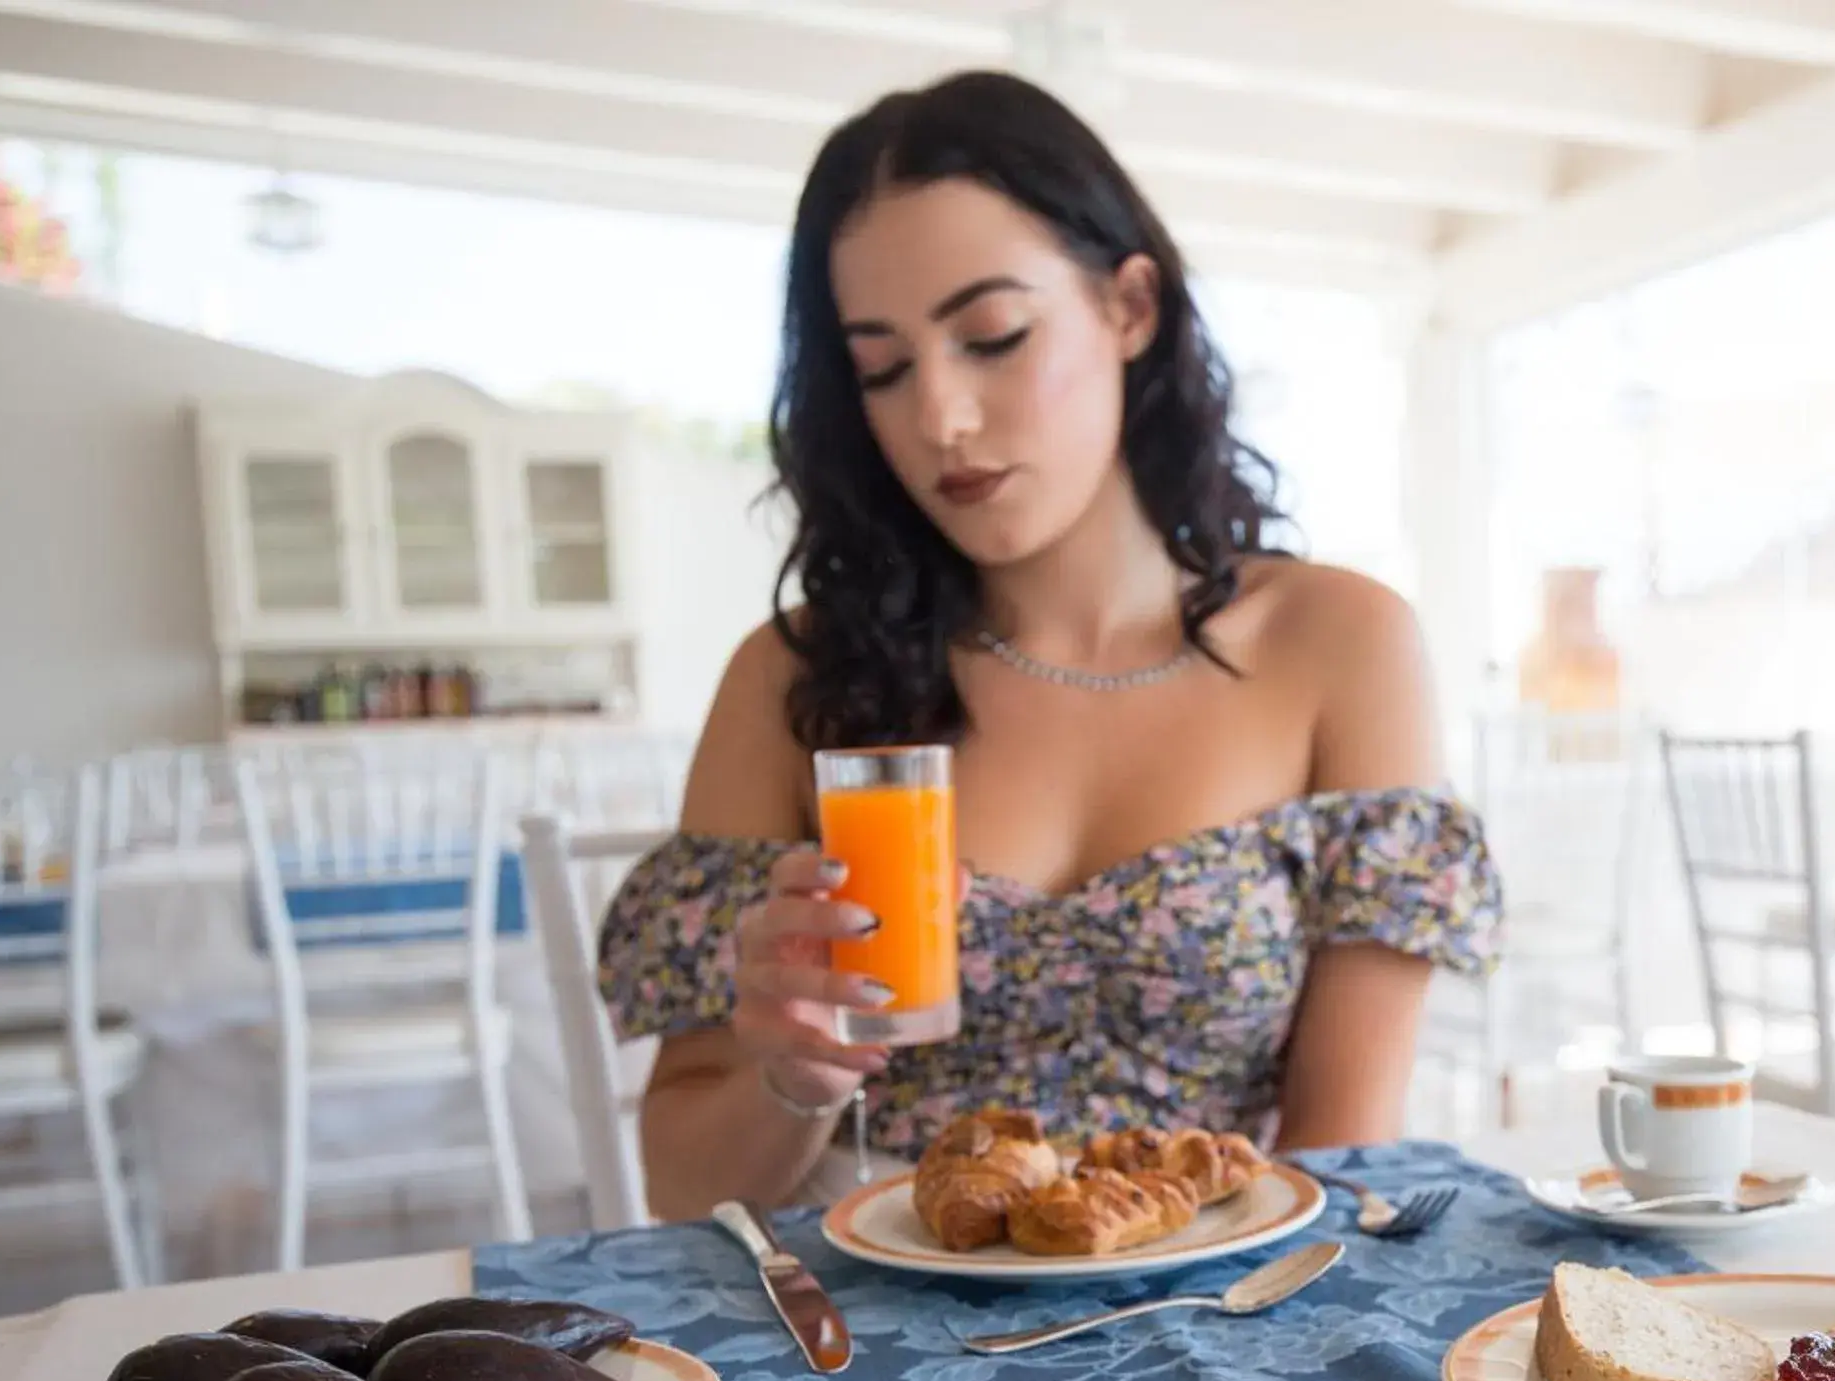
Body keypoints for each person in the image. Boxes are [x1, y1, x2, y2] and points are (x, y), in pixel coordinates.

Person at [600, 71, 1500, 1221]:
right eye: (881, 367)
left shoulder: (1338, 644)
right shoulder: (794, 679)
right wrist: (788, 1078)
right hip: (873, 1338)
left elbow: (1343, 1157)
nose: (940, 419)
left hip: (1220, 1301)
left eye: (993, 336)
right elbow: (684, 1191)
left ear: (1131, 308)